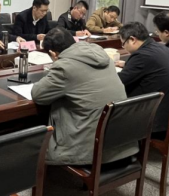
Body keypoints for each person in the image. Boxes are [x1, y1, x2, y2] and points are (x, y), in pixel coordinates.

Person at [31, 28, 137, 166]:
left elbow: (38, 95)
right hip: (121, 144)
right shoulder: (101, 54)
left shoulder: (65, 66)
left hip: (90, 151)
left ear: (53, 53)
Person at [116, 22, 169, 138]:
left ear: (132, 39)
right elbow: (148, 68)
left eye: (123, 43)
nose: (123, 47)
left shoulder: (142, 55)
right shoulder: (161, 47)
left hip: (155, 121)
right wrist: (127, 65)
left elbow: (118, 81)